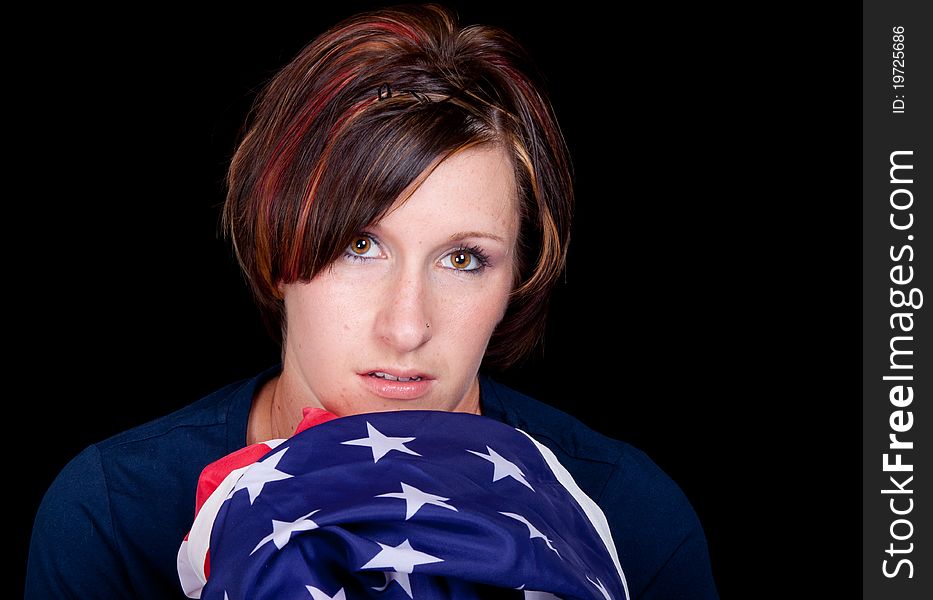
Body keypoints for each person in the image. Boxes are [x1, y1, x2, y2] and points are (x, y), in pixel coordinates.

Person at [26, 3, 718, 598]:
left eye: (462, 259)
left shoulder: (627, 514)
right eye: (360, 245)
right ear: (273, 247)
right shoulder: (115, 513)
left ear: (518, 279)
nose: (406, 325)